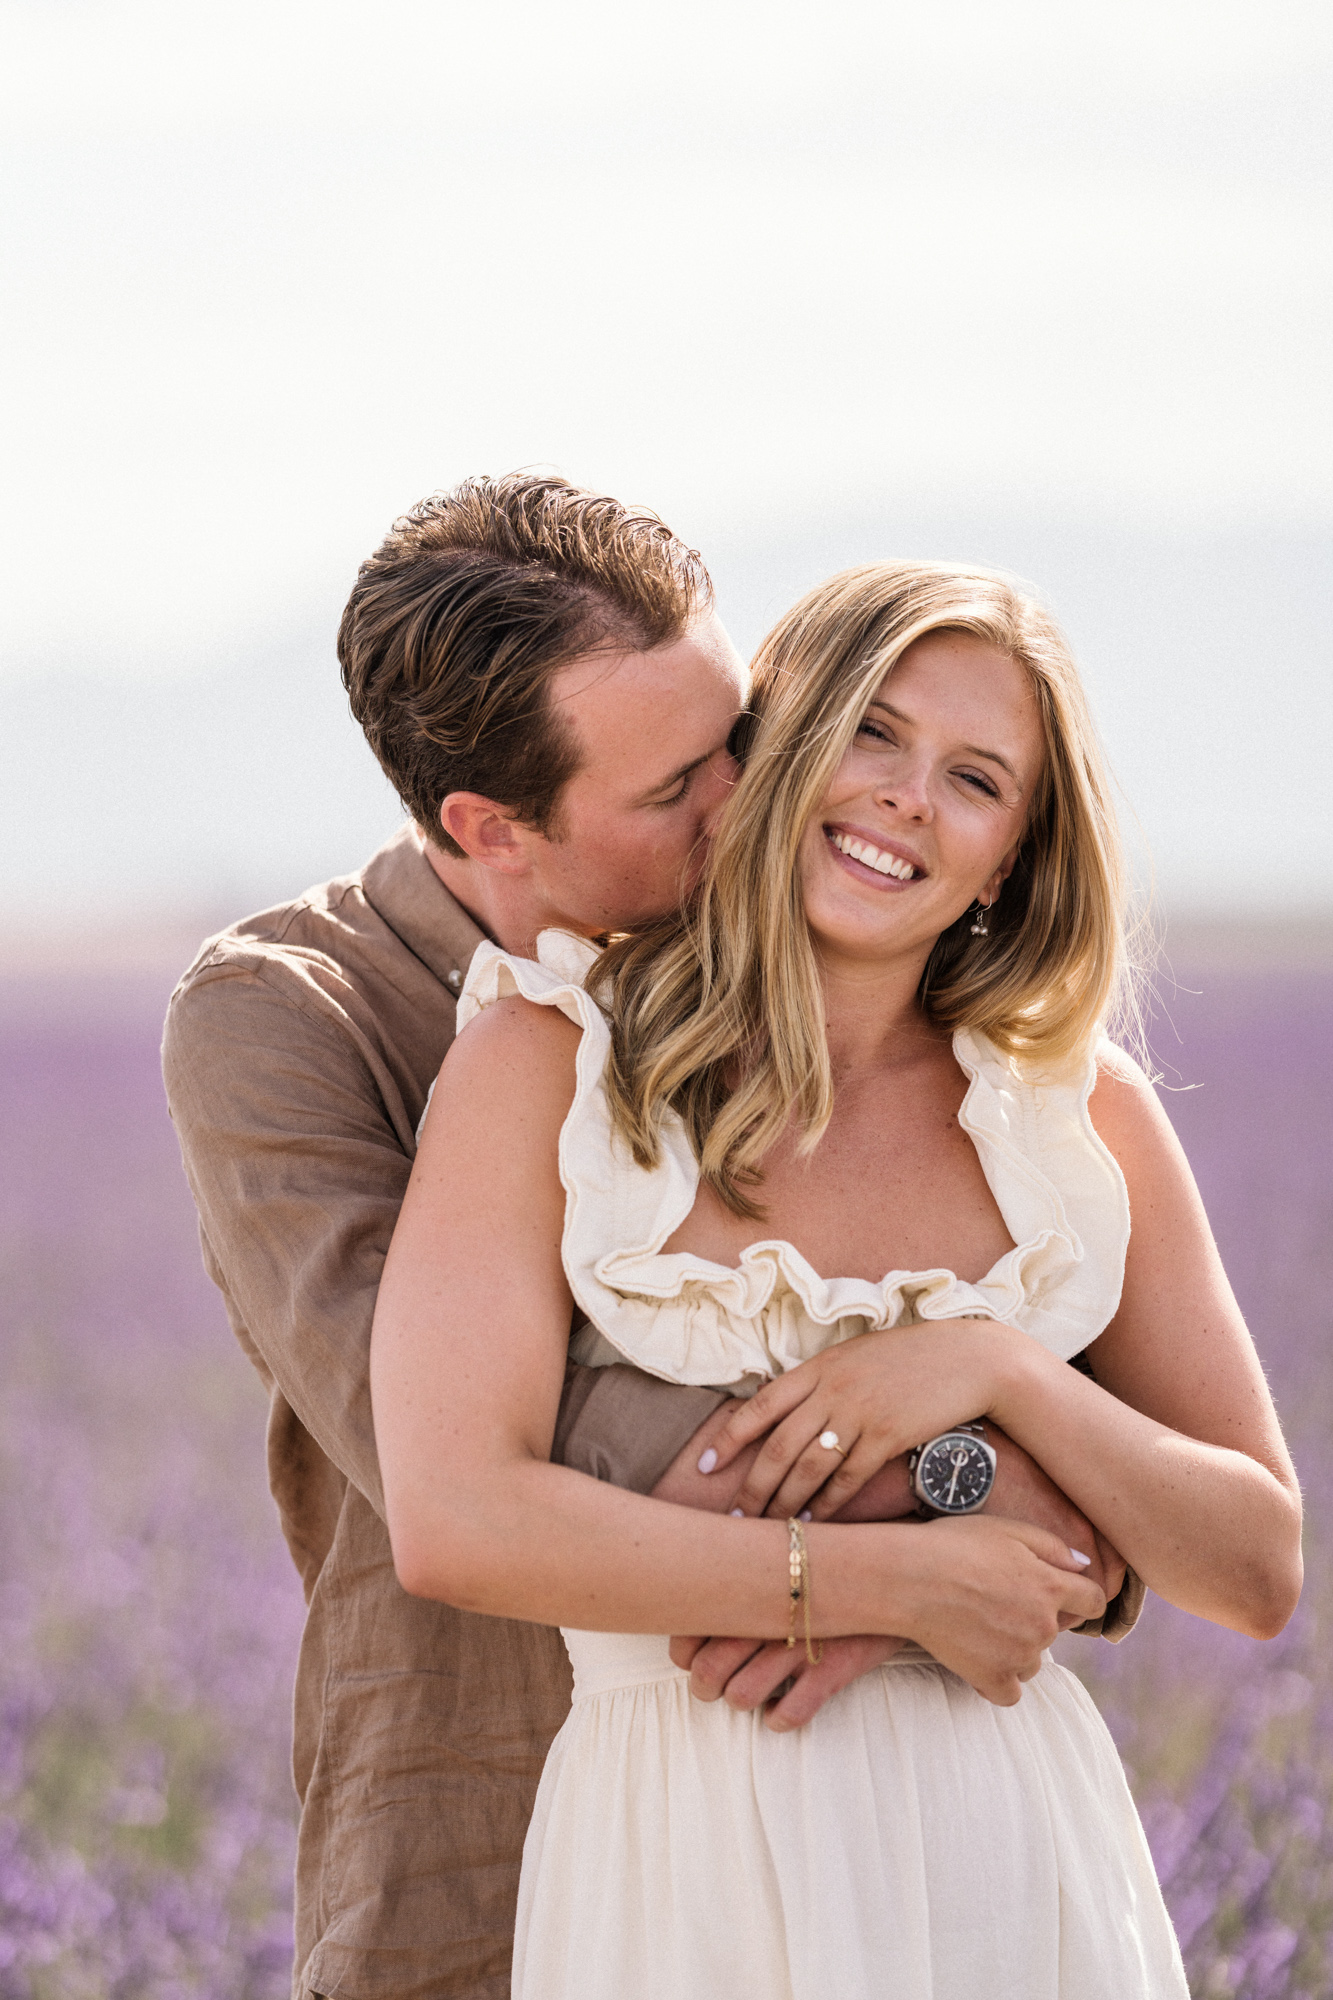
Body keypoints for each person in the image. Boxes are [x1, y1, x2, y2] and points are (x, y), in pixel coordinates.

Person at [163, 478, 1129, 1997]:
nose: (752, 802)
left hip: (854, 1816)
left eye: (743, 738)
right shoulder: (291, 1019)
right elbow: (482, 1450)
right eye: (676, 787)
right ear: (492, 826)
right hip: (479, 1788)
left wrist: (1009, 1438)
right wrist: (965, 1494)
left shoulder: (790, 994)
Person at [371, 558, 1303, 1998]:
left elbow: (1252, 1566)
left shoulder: (1076, 1118)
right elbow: (456, 1517)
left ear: (1009, 856)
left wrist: (993, 1373)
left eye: (975, 780)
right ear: (777, 742)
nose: (905, 799)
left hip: (1009, 1861)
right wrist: (889, 1583)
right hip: (674, 1868)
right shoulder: (546, 1064)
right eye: (872, 730)